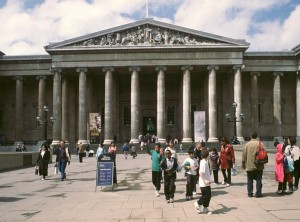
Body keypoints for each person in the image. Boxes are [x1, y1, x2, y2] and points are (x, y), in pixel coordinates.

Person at [242, 132, 264, 198]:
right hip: (259, 165)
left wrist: (243, 164)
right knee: (259, 179)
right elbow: (264, 153)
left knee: (250, 179)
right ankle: (258, 193)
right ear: (256, 136)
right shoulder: (261, 144)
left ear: (250, 136)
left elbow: (244, 156)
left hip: (249, 165)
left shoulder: (247, 145)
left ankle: (250, 193)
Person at [194, 149, 212, 214]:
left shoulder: (204, 161)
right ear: (207, 155)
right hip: (204, 183)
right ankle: (197, 203)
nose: (209, 155)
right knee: (206, 196)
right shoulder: (204, 162)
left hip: (206, 182)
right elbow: (201, 173)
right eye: (208, 154)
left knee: (208, 195)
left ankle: (205, 208)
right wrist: (205, 181)